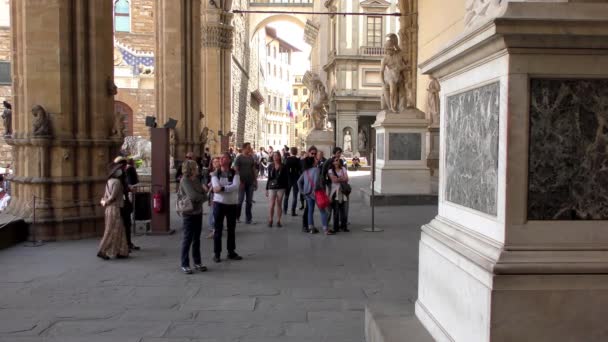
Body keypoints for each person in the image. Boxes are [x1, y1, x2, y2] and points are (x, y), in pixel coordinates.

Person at [211, 152, 243, 263]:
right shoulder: (216, 173)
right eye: (220, 158)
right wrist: (226, 187)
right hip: (219, 204)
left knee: (231, 229)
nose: (221, 159)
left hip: (231, 204)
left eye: (224, 158)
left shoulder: (235, 173)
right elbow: (215, 188)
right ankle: (217, 253)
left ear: (229, 160)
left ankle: (231, 252)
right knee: (218, 230)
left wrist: (223, 189)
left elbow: (235, 186)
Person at [178, 159, 208, 274]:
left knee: (197, 239)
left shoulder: (196, 179)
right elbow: (193, 196)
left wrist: (203, 195)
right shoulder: (185, 180)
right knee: (187, 239)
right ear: (191, 169)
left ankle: (197, 262)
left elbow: (203, 193)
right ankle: (184, 263)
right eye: (196, 167)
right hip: (189, 213)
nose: (198, 168)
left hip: (198, 212)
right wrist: (203, 195)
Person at [98, 163, 129, 260]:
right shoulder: (117, 182)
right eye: (118, 170)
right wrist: (107, 201)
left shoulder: (108, 181)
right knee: (112, 230)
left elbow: (105, 196)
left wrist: (104, 202)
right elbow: (112, 197)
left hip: (108, 209)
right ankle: (102, 250)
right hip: (115, 208)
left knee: (119, 229)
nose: (120, 171)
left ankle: (121, 250)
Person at [298, 146, 332, 235]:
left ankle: (311, 228)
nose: (316, 159)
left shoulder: (306, 171)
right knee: (322, 211)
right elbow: (317, 182)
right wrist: (318, 190)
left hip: (307, 194)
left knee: (310, 211)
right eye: (315, 159)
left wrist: (302, 191)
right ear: (313, 162)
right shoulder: (317, 170)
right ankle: (325, 229)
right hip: (316, 193)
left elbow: (299, 182)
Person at [114, 156, 140, 251]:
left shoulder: (120, 175)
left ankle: (127, 244)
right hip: (121, 203)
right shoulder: (119, 177)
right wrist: (128, 188)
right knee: (124, 224)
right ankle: (124, 245)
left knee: (126, 224)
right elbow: (120, 190)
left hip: (123, 203)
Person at [234, 142, 257, 224]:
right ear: (244, 148)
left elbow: (254, 169)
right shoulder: (239, 158)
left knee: (249, 201)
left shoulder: (251, 157)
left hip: (250, 182)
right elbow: (236, 169)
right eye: (248, 147)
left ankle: (248, 219)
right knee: (240, 200)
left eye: (250, 147)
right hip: (242, 182)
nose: (249, 148)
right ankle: (237, 217)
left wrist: (255, 181)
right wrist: (239, 181)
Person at [266, 151, 289, 227]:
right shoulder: (270, 166)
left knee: (279, 203)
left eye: (276, 156)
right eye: (274, 156)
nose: (275, 157)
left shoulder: (284, 166)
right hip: (272, 187)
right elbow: (269, 178)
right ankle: (270, 220)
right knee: (272, 204)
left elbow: (286, 178)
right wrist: (266, 189)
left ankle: (278, 220)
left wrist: (286, 188)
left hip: (281, 187)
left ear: (279, 157)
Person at [328, 157, 350, 232]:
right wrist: (341, 178)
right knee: (336, 210)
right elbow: (334, 180)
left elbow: (347, 178)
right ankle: (336, 227)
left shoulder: (343, 169)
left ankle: (344, 226)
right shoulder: (330, 171)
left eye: (338, 160)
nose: (337, 162)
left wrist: (339, 179)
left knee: (344, 210)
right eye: (335, 161)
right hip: (335, 192)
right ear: (333, 163)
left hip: (343, 191)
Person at [283, 147, 302, 217]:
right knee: (295, 196)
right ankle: (293, 211)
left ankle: (285, 210)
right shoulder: (298, 160)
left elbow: (284, 169)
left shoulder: (287, 159)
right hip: (296, 179)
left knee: (286, 195)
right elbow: (300, 169)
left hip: (288, 179)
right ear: (296, 152)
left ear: (290, 152)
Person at [206, 156, 220, 239]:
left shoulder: (218, 172)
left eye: (216, 161)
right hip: (213, 194)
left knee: (215, 211)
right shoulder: (211, 172)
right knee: (213, 211)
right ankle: (213, 228)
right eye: (213, 162)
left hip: (216, 193)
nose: (215, 163)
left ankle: (214, 229)